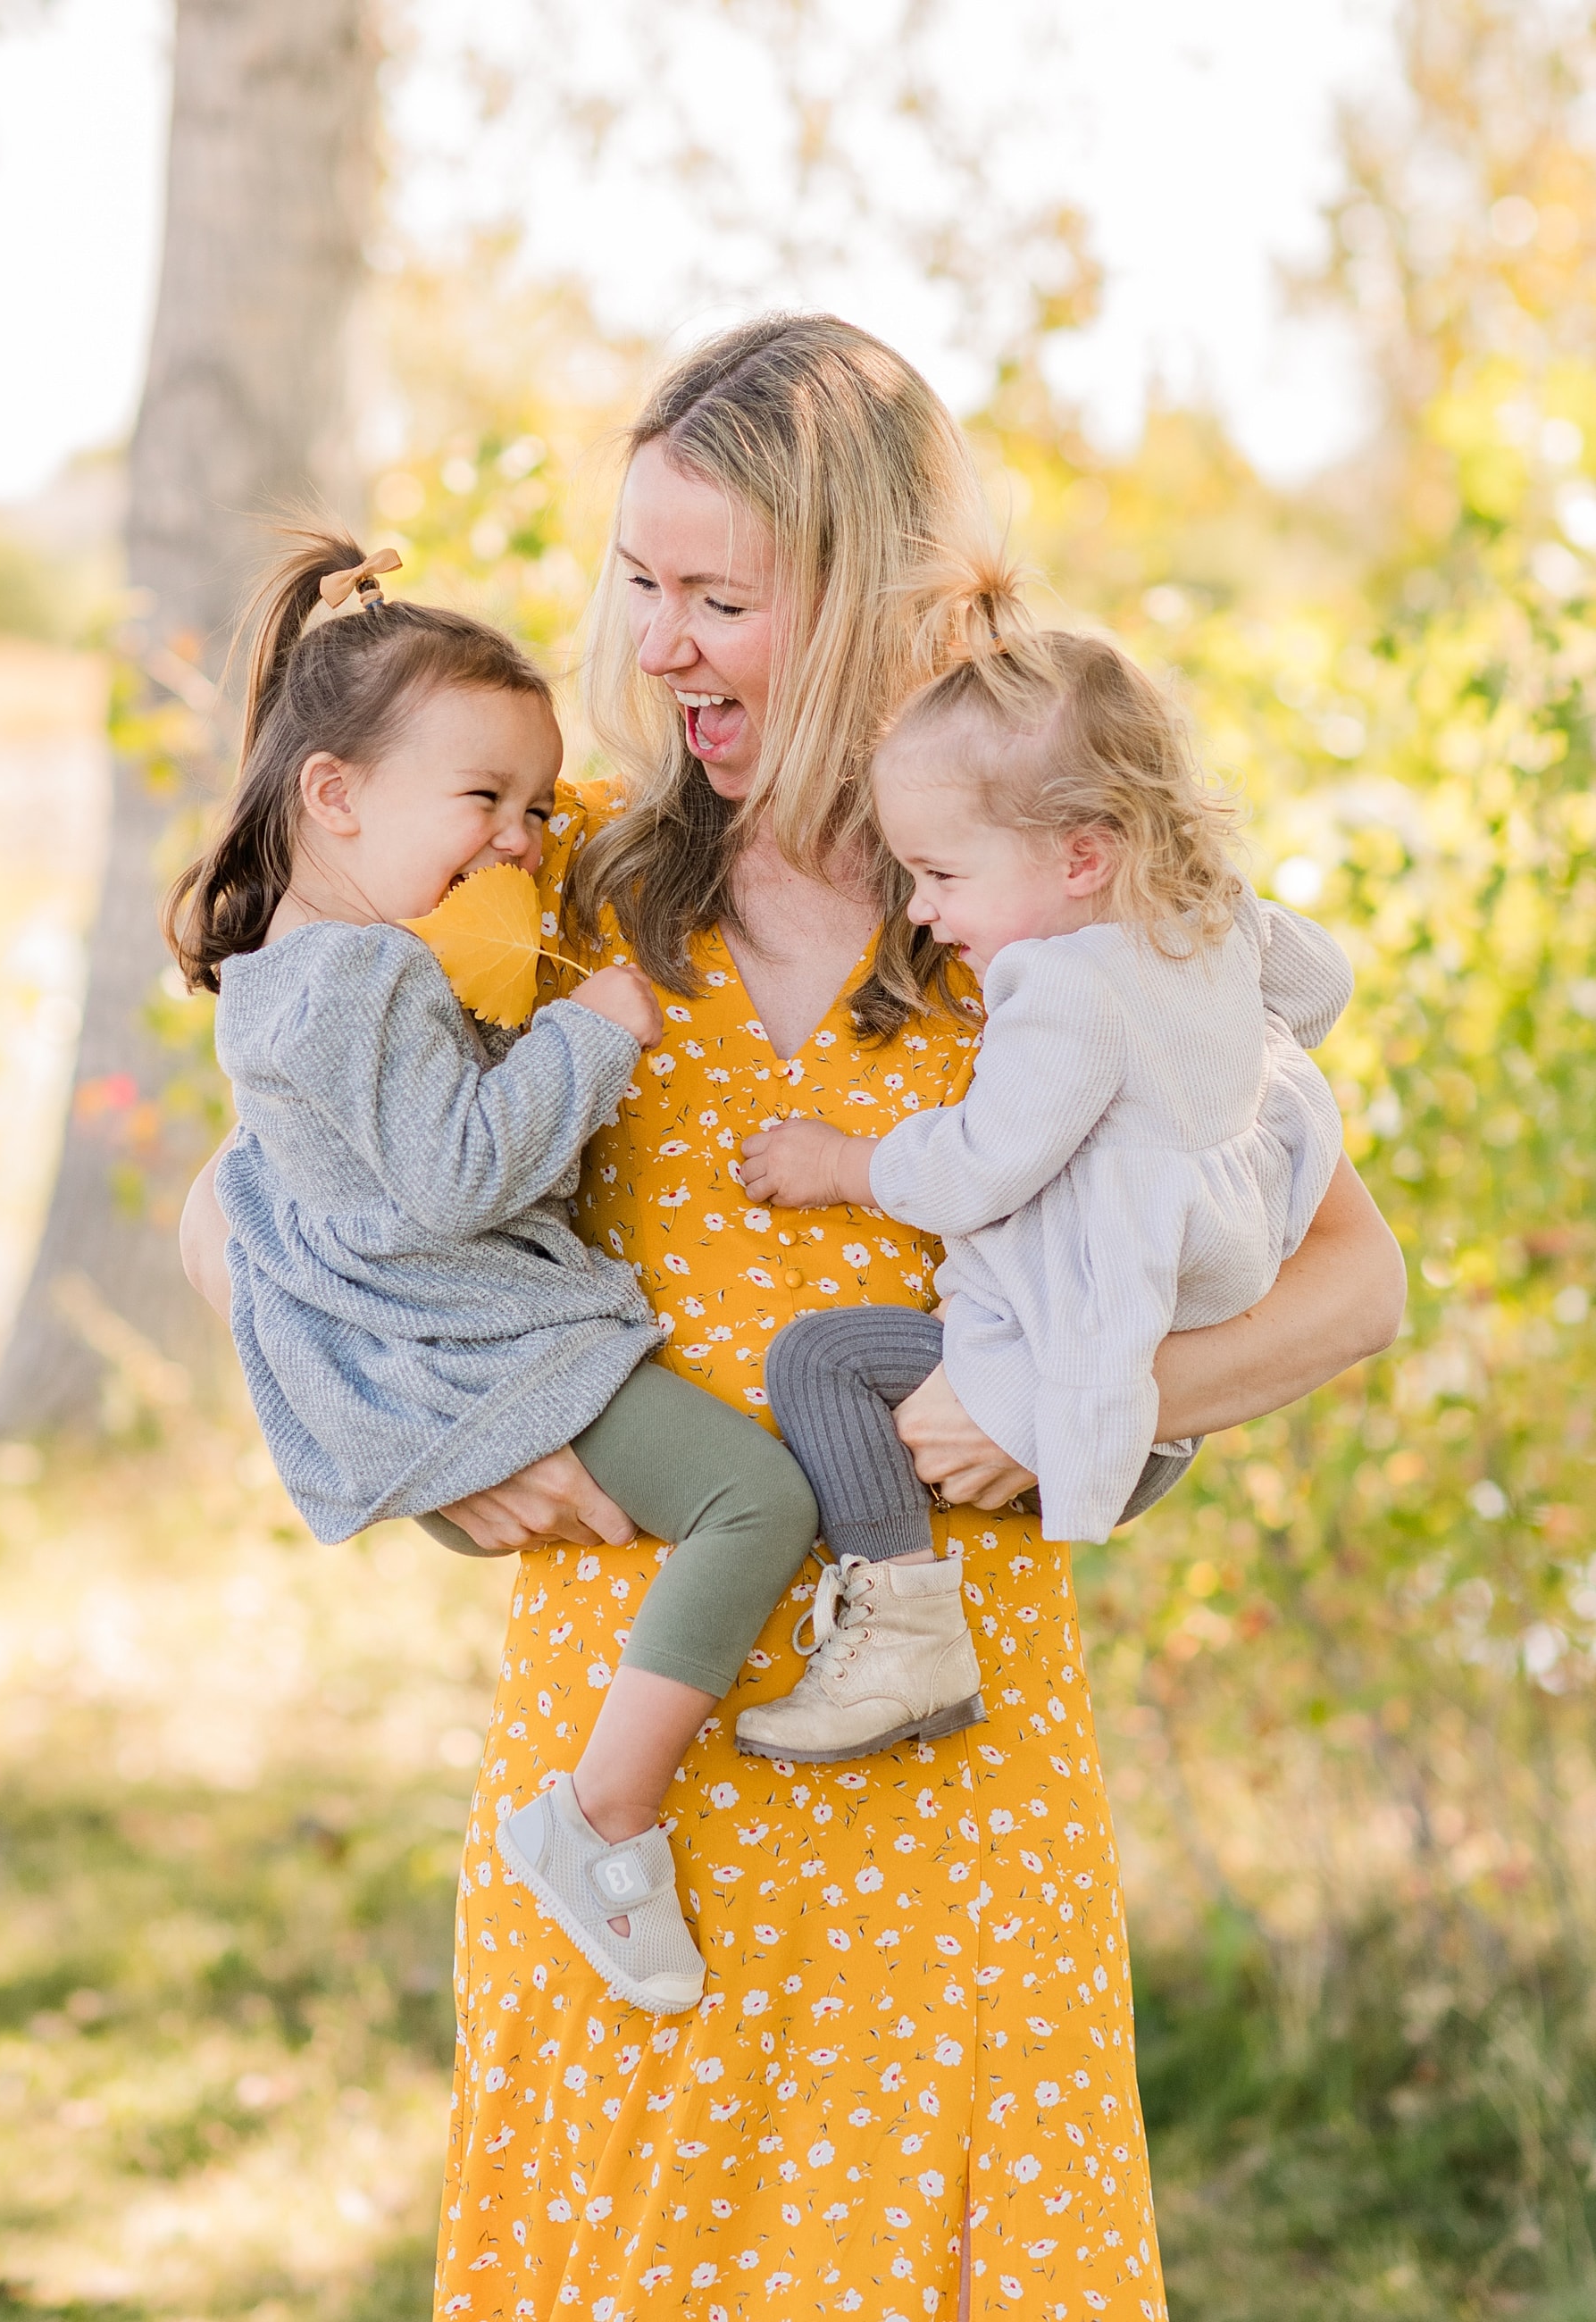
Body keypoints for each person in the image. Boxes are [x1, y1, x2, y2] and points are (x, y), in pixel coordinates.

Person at [180, 313, 1404, 2318]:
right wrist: (438, 1446)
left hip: (949, 1781)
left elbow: (1356, 1279)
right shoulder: (552, 883)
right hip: (623, 1804)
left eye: (720, 599)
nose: (661, 646)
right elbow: (243, 1210)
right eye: (640, 584)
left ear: (874, 596)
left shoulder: (1044, 901)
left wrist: (1070, 1399)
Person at [165, 532, 820, 2018]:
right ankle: (600, 1815)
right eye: (486, 801)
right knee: (757, 1499)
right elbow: (459, 1176)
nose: (522, 842)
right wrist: (588, 1035)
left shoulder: (293, 972)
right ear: (333, 796)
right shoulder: (363, 975)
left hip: (443, 1379)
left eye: (534, 806)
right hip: (499, 1364)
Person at [737, 570, 1352, 1763]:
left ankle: (905, 1629)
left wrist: (844, 1163)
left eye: (942, 876)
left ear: (1081, 857)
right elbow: (1320, 985)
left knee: (819, 1362)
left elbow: (980, 1168)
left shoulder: (1067, 988)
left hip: (1075, 1372)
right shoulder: (1208, 919)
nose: (921, 911)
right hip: (1167, 1366)